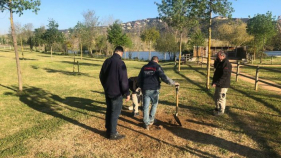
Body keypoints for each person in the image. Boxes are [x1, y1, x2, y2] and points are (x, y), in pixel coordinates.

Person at [138, 56, 179, 130]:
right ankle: (151, 120)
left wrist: (141, 86)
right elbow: (164, 77)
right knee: (154, 104)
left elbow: (139, 78)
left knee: (146, 106)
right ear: (157, 61)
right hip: (154, 90)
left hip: (145, 89)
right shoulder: (157, 67)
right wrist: (173, 83)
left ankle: (146, 123)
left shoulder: (144, 67)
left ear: (151, 60)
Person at [99, 46, 130, 140]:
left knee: (109, 110)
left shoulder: (106, 61)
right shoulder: (120, 63)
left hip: (108, 91)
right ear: (121, 53)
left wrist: (105, 86)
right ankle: (113, 133)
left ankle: (108, 130)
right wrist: (127, 93)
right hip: (116, 93)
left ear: (114, 52)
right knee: (115, 113)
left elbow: (101, 76)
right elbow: (124, 80)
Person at [212, 51, 232, 116]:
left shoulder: (226, 64)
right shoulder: (220, 62)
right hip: (218, 83)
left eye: (218, 56)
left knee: (221, 97)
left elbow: (225, 76)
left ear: (223, 56)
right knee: (216, 97)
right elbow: (215, 66)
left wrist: (217, 83)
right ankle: (217, 108)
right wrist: (217, 60)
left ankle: (221, 111)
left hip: (223, 84)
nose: (217, 57)